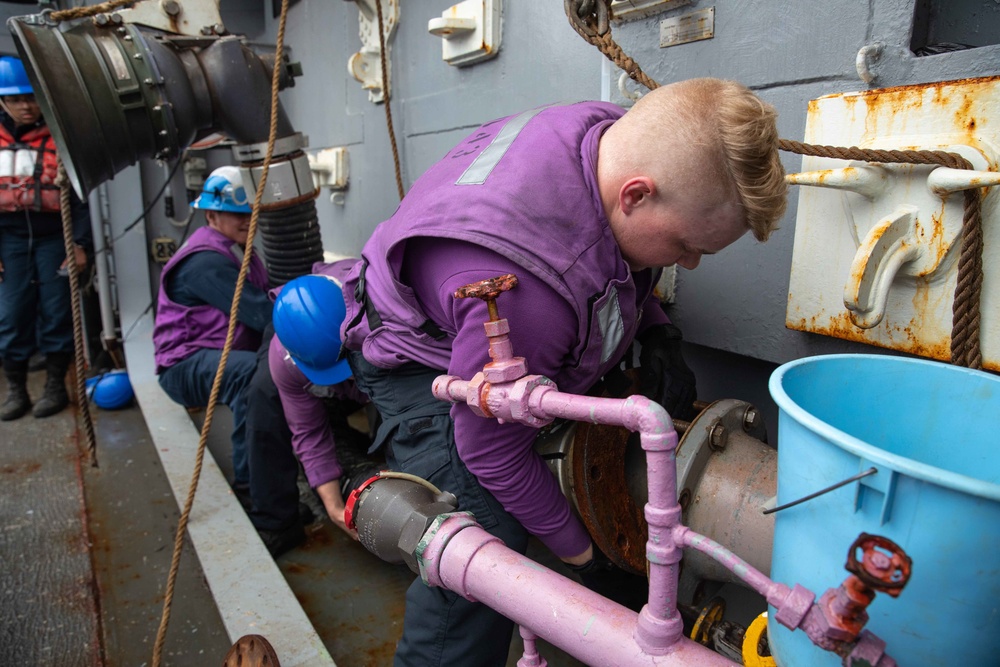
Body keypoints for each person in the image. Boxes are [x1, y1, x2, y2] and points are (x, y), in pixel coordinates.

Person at [339, 78, 788, 666]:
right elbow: (492, 451)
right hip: (417, 362)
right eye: (683, 245)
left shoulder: (604, 133)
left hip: (509, 310)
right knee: (484, 539)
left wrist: (656, 330)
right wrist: (583, 554)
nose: (690, 262)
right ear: (635, 197)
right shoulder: (524, 292)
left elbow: (610, 262)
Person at [244, 261, 379, 556]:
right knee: (262, 397)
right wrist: (333, 508)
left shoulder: (385, 306)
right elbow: (309, 431)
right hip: (312, 348)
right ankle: (276, 521)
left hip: (375, 338)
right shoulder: (287, 360)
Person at [152, 165, 270, 494]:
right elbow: (261, 313)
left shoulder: (234, 247)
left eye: (251, 211)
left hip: (213, 356)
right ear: (211, 214)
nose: (247, 220)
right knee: (252, 375)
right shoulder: (206, 261)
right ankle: (253, 489)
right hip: (183, 366)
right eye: (236, 214)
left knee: (263, 368)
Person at [0, 55, 92, 421]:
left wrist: (81, 244)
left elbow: (83, 197)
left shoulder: (61, 137)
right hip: (9, 239)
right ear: (2, 102)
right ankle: (16, 390)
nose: (26, 105)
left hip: (56, 237)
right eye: (16, 99)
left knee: (57, 312)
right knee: (11, 315)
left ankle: (56, 385)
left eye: (31, 97)